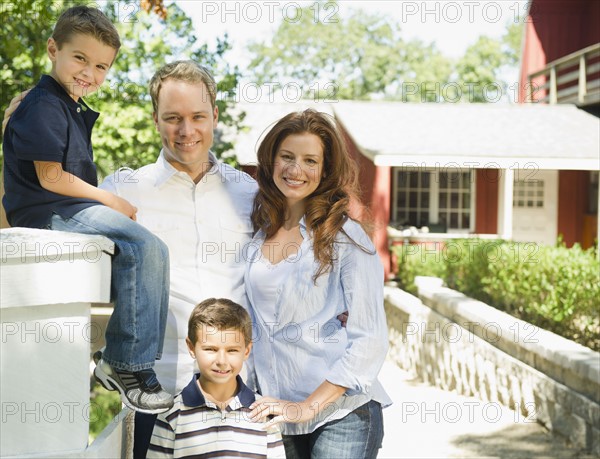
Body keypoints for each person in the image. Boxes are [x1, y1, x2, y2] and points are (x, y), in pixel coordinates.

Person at [1, 5, 173, 414]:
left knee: (147, 251)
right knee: (144, 246)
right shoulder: (43, 103)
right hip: (47, 211)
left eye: (101, 66)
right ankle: (130, 367)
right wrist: (112, 199)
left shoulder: (65, 105)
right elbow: (51, 178)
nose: (90, 73)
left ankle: (117, 360)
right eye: (80, 58)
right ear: (52, 49)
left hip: (61, 207)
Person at [100, 60, 258, 457]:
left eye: (198, 117)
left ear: (215, 116)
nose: (186, 131)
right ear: (155, 118)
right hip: (157, 394)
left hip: (237, 400)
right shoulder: (123, 189)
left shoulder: (250, 193)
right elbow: (48, 218)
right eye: (173, 118)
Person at [244, 109, 392, 459]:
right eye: (287, 157)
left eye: (310, 160)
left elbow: (369, 340)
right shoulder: (256, 235)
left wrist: (308, 407)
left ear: (325, 171)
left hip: (342, 413)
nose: (296, 170)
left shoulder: (347, 238)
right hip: (280, 411)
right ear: (271, 160)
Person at [147, 298, 286, 458]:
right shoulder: (172, 415)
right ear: (191, 348)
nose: (221, 361)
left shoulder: (263, 413)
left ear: (247, 351)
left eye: (232, 350)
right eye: (210, 349)